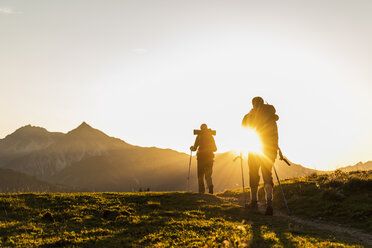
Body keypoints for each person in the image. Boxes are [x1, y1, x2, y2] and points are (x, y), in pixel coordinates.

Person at [242, 96, 279, 215]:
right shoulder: (271, 115)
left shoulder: (252, 115)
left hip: (255, 148)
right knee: (267, 174)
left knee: (253, 173)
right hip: (270, 149)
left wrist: (250, 113)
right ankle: (269, 203)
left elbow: (244, 125)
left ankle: (254, 201)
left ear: (253, 104)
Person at [190, 124, 217, 194]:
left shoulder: (199, 136)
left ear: (200, 129)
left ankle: (201, 192)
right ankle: (211, 190)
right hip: (210, 158)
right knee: (208, 175)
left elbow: (195, 148)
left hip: (200, 158)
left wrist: (191, 148)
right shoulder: (211, 137)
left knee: (200, 175)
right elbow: (215, 149)